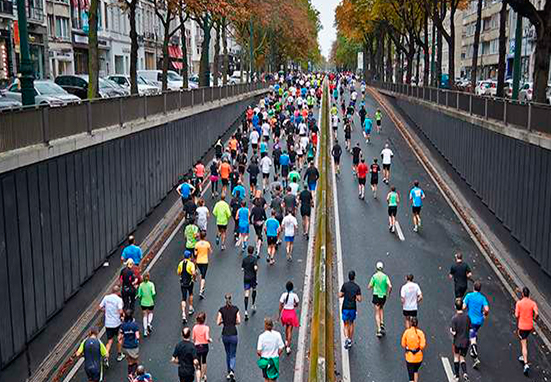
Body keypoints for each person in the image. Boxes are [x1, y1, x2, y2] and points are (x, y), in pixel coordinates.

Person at [463, 281, 489, 369]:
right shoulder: (482, 298)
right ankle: (473, 347)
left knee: (472, 337)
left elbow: (463, 307)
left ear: (474, 287)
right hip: (479, 321)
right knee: (474, 332)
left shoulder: (469, 296)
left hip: (470, 320)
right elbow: (486, 309)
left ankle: (474, 352)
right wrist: (485, 315)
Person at [217, 294, 241, 381]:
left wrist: (224, 321)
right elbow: (239, 321)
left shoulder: (221, 309)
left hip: (225, 334)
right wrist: (233, 321)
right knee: (233, 354)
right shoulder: (236, 309)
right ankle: (232, 370)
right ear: (231, 299)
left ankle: (228, 372)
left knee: (227, 353)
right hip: (233, 334)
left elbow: (218, 322)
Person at [515, 287, 538, 375]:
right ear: (529, 294)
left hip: (522, 327)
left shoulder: (519, 303)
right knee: (524, 340)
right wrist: (534, 319)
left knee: (523, 344)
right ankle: (523, 357)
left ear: (522, 294)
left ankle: (525, 363)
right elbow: (536, 313)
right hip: (529, 327)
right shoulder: (533, 303)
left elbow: (517, 315)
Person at [99, 285, 124, 366]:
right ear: (118, 292)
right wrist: (122, 316)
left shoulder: (106, 298)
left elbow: (99, 307)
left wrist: (105, 310)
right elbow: (120, 311)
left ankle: (106, 356)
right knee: (119, 338)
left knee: (109, 341)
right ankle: (120, 354)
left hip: (108, 323)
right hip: (117, 323)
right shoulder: (119, 300)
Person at [368, 261, 392, 337]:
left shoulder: (374, 276)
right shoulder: (385, 276)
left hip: (376, 295)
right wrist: (388, 293)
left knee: (377, 311)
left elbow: (369, 286)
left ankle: (379, 330)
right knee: (381, 308)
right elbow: (390, 286)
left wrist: (373, 286)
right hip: (383, 296)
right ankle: (382, 322)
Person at [257, 318, 285, 382]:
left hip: (265, 360)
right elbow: (281, 347)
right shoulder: (277, 334)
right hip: (273, 360)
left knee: (266, 378)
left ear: (265, 326)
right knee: (273, 378)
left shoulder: (261, 337)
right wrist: (277, 354)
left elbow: (259, 351)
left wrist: (262, 356)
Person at [339, 270, 362, 349]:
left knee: (345, 323)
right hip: (353, 307)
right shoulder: (357, 287)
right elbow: (359, 299)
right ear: (354, 277)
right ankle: (350, 339)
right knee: (351, 323)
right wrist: (354, 296)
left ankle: (346, 338)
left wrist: (345, 294)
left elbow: (340, 295)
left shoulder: (345, 285)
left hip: (345, 307)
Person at [450, 298, 471, 382]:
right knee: (462, 357)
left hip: (457, 342)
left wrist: (451, 331)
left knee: (456, 357)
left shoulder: (454, 319)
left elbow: (454, 332)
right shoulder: (467, 317)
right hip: (466, 341)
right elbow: (469, 327)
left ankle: (457, 375)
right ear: (462, 306)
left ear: (455, 307)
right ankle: (465, 373)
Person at [401, 317, 426, 382]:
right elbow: (422, 345)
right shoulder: (420, 333)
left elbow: (403, 344)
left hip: (409, 358)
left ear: (410, 323)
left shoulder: (407, 332)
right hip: (418, 358)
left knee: (411, 377)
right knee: (415, 371)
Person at [119, 310, 140, 380]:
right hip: (133, 346)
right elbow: (137, 336)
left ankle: (129, 374)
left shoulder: (123, 325)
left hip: (126, 346)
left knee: (129, 362)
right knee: (136, 361)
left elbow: (120, 337)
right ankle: (133, 374)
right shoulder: (134, 325)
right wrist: (137, 341)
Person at [279, 281, 300, 354]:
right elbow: (297, 303)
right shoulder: (294, 295)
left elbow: (281, 305)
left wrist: (279, 315)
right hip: (291, 314)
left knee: (286, 327)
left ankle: (286, 341)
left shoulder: (283, 295)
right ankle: (288, 347)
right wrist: (294, 305)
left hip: (285, 313)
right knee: (290, 330)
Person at [178, 250, 196, 325]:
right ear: (189, 257)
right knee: (191, 294)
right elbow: (193, 272)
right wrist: (194, 278)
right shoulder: (191, 264)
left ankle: (183, 313)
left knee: (183, 298)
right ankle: (190, 308)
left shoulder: (180, 264)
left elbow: (178, 272)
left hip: (183, 283)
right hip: (189, 282)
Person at [192, 312, 212, 382]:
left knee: (198, 362)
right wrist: (210, 340)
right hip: (204, 346)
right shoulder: (206, 328)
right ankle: (203, 376)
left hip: (197, 346)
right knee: (204, 360)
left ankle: (199, 376)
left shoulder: (195, 327)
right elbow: (207, 337)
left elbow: (193, 338)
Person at [136, 272, 156, 337]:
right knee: (150, 313)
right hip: (150, 302)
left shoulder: (141, 285)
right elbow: (153, 293)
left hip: (143, 302)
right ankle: (149, 323)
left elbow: (139, 295)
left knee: (144, 315)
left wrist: (141, 298)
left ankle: (145, 331)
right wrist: (152, 298)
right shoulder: (151, 284)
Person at [242, 246, 259, 320]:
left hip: (246, 278)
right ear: (252, 251)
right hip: (253, 278)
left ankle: (245, 311)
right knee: (254, 290)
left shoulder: (244, 259)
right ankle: (253, 304)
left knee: (246, 293)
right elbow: (255, 268)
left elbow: (242, 268)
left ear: (248, 251)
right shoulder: (254, 259)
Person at [195, 231, 212, 299]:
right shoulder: (207, 244)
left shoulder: (197, 244)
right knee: (203, 277)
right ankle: (201, 290)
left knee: (201, 274)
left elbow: (195, 253)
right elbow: (211, 251)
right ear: (205, 236)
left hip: (198, 261)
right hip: (205, 261)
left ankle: (202, 285)